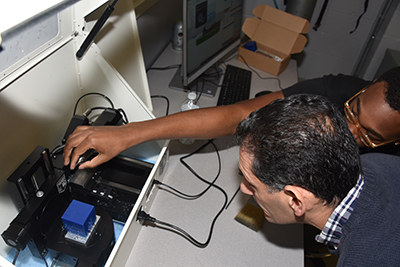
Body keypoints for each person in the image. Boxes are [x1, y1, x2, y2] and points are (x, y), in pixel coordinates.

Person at [63, 66, 400, 169]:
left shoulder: (389, 169)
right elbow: (240, 114)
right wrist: (130, 133)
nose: (347, 127)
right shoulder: (337, 89)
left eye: (367, 135)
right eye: (352, 110)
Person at [235, 94, 400, 266]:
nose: (243, 189)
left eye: (252, 185)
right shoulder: (377, 161)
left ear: (296, 200)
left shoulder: (364, 260)